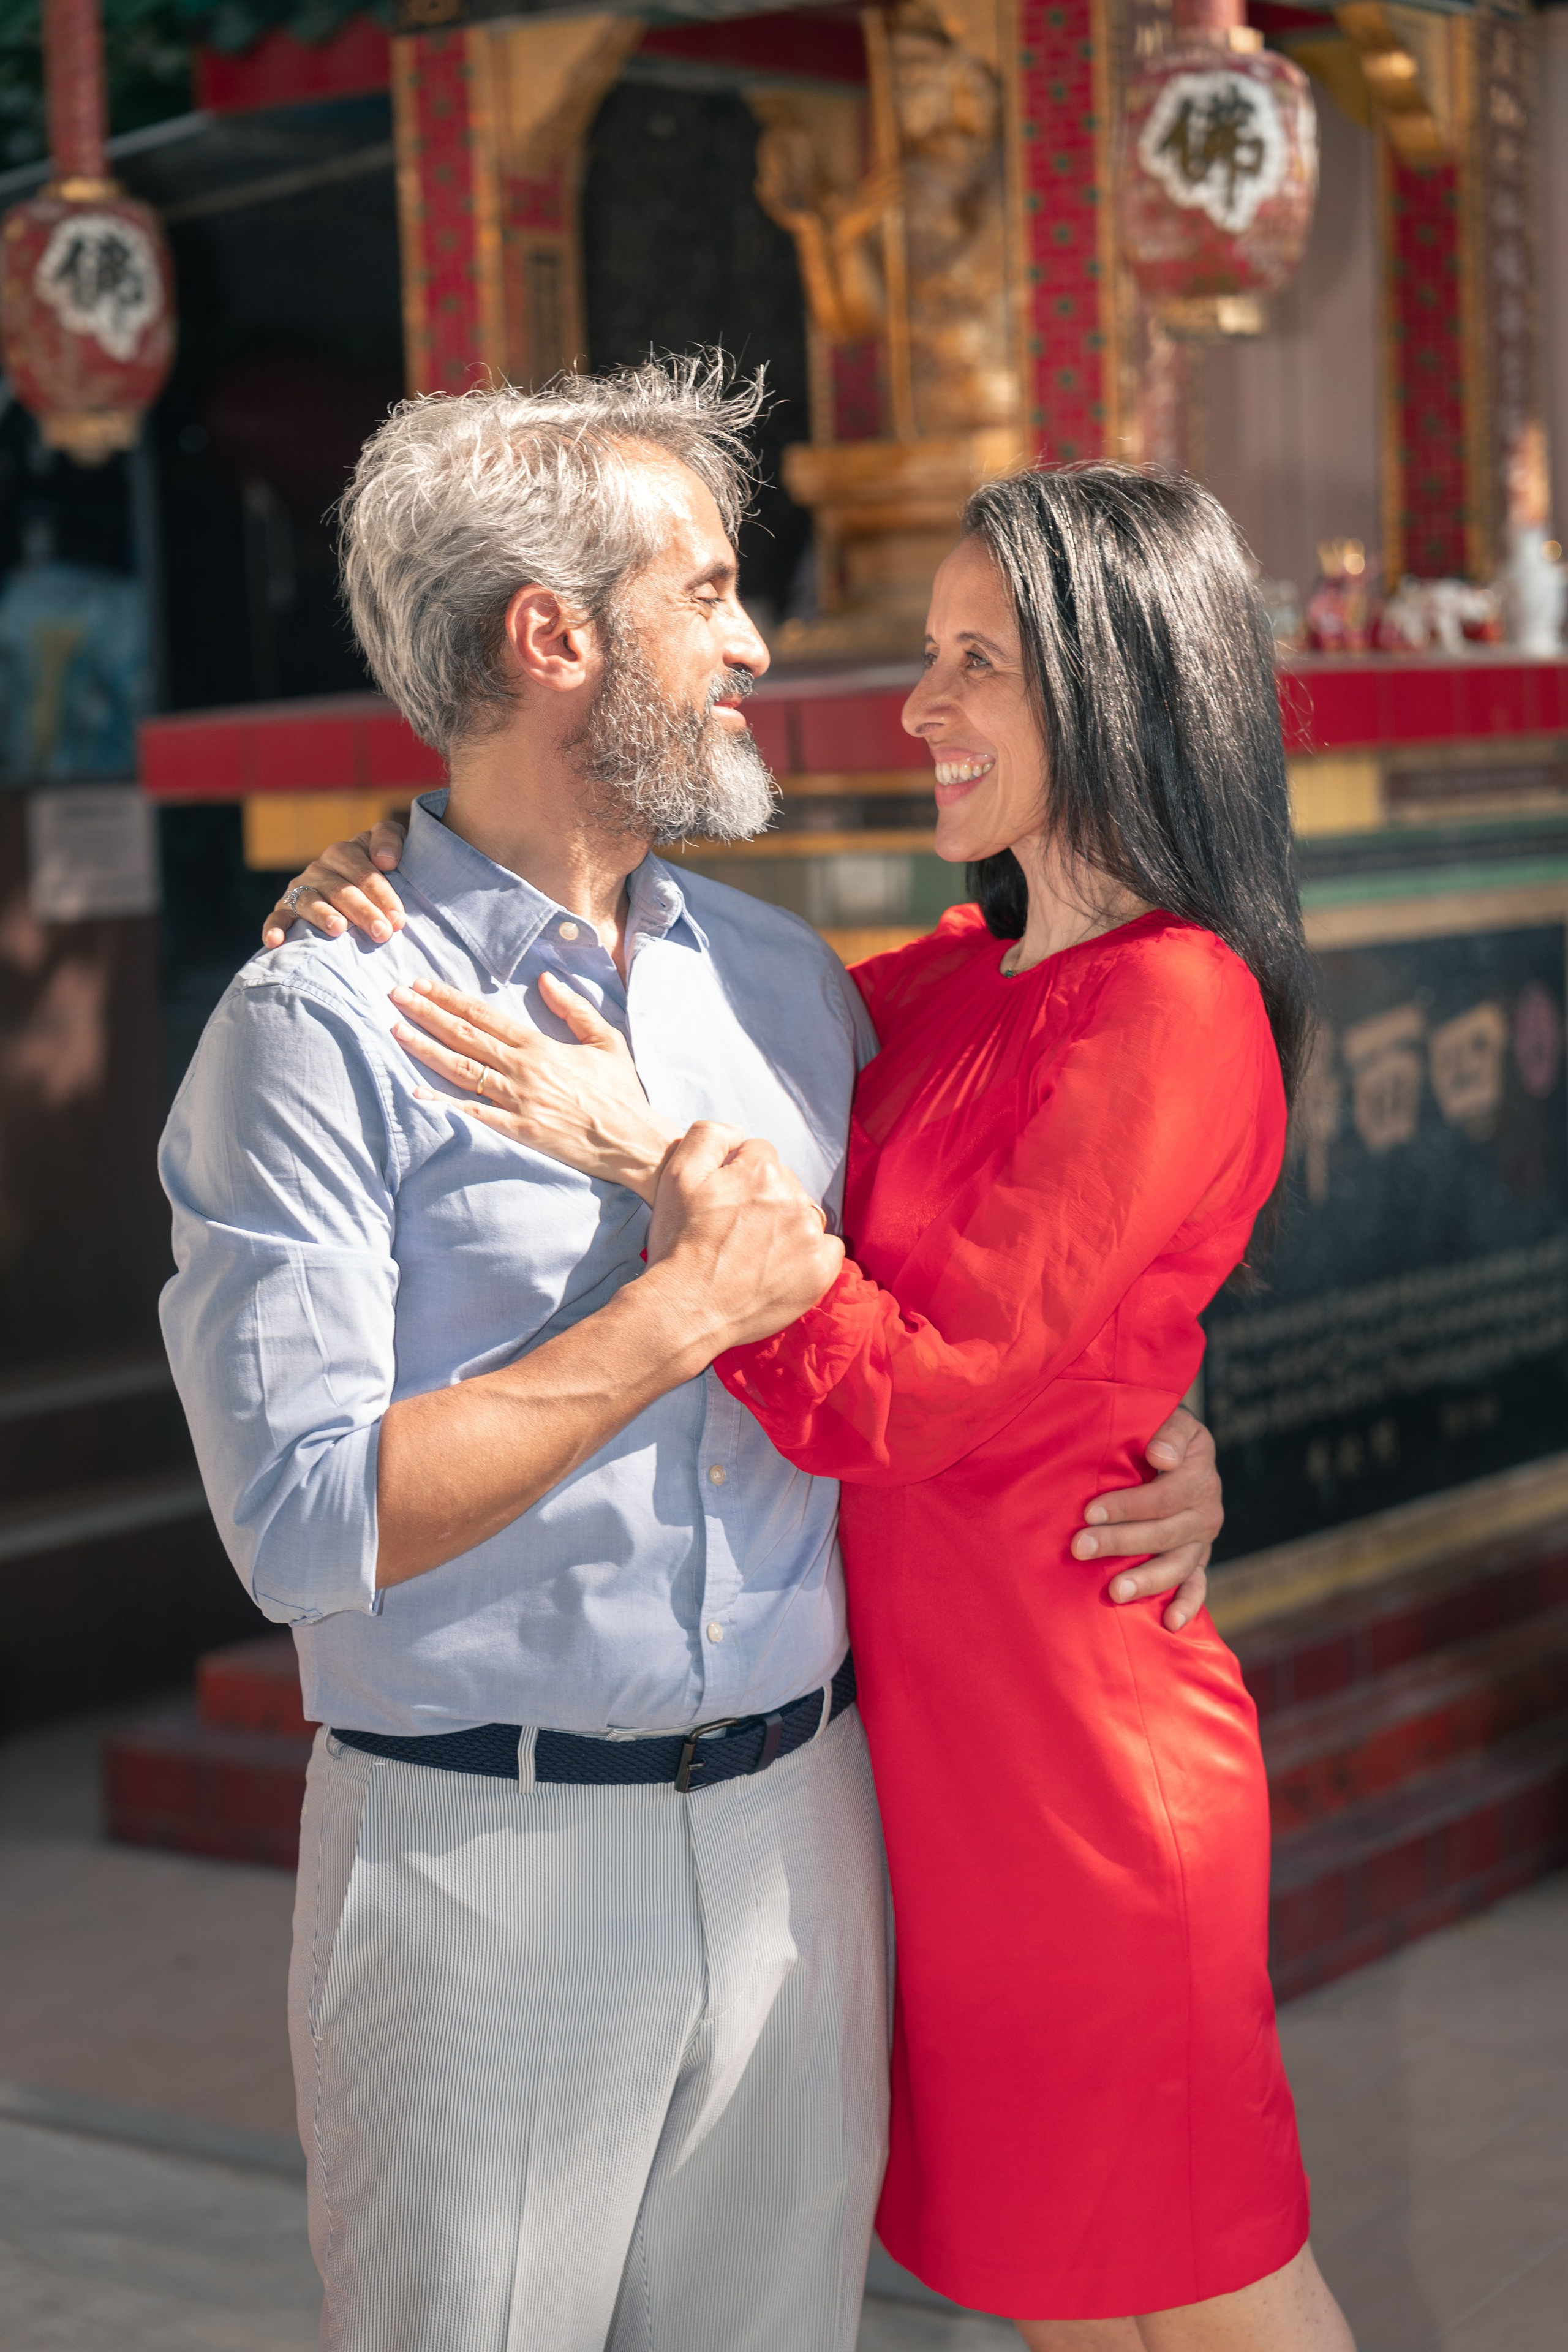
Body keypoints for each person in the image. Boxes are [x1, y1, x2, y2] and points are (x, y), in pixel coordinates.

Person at [164, 361, 1222, 2352]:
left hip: (805, 1848)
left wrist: (1171, 1423)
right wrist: (678, 1318)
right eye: (712, 591)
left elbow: (1018, 1235)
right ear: (553, 637)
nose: (754, 645)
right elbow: (302, 1528)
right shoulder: (313, 1028)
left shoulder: (792, 986)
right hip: (481, 1865)